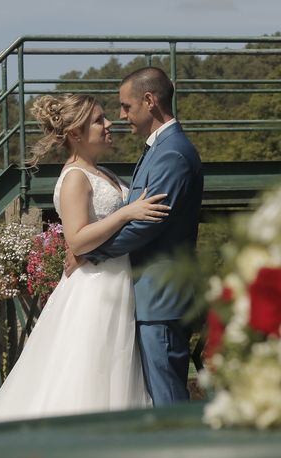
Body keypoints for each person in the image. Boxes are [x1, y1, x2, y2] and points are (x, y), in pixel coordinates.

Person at [0, 93, 169, 423]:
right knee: (91, 374)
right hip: (95, 290)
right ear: (76, 134)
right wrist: (127, 214)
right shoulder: (75, 178)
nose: (109, 123)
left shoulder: (100, 171)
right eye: (99, 120)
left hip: (114, 281)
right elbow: (78, 240)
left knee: (115, 373)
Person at [65, 67, 203, 406]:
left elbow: (148, 224)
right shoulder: (156, 150)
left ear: (150, 101)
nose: (121, 116)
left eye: (126, 107)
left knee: (168, 397)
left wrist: (91, 252)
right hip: (146, 297)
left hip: (161, 298)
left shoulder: (171, 152)